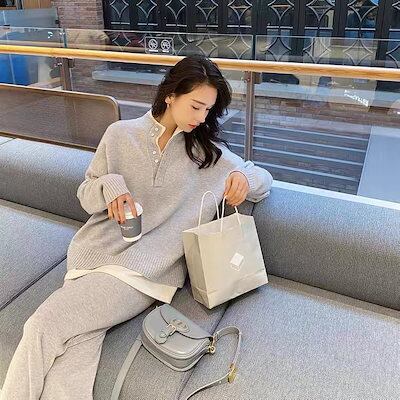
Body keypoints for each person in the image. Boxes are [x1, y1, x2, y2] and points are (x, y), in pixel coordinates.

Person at [0, 54, 273, 400]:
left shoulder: (208, 155)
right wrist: (110, 185)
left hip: (143, 274)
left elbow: (264, 179)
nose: (201, 117)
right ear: (170, 95)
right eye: (195, 106)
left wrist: (244, 179)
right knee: (74, 352)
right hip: (90, 256)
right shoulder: (120, 134)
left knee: (42, 326)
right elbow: (86, 195)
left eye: (208, 110)